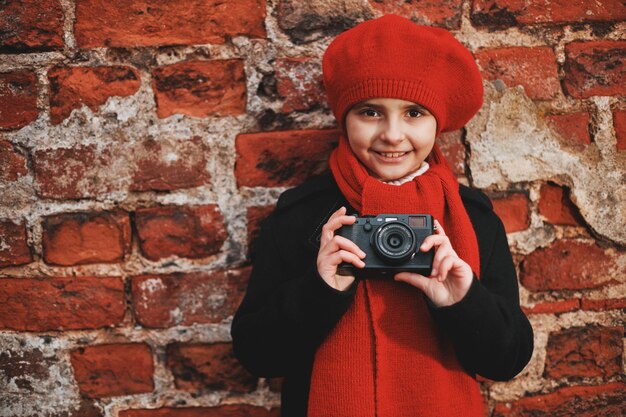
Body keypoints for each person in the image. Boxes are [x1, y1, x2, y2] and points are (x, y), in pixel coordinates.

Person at [231, 14, 534, 417]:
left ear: (437, 122)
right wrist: (318, 289)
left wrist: (465, 301)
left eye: (414, 113)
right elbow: (258, 355)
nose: (392, 134)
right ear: (344, 118)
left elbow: (507, 360)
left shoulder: (473, 218)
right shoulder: (303, 216)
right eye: (370, 112)